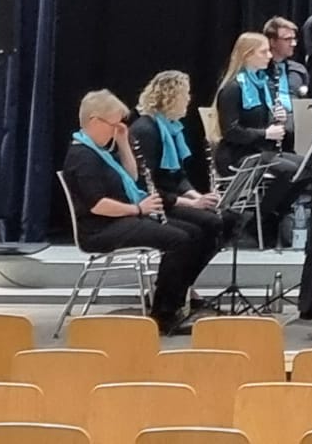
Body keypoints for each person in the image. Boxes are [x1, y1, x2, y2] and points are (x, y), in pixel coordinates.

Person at [63, 90, 219, 335]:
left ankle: (176, 300)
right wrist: (138, 208)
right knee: (179, 239)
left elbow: (132, 176)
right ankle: (163, 314)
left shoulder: (100, 150)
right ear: (94, 121)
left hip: (120, 219)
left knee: (194, 232)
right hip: (100, 228)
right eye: (114, 124)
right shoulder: (82, 156)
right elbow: (97, 204)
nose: (118, 128)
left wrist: (123, 142)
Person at [212, 31, 304, 243]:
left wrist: (277, 118)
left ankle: (272, 214)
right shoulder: (233, 88)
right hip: (238, 154)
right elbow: (231, 131)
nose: (269, 56)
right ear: (247, 55)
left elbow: (260, 119)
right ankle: (260, 221)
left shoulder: (262, 84)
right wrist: (266, 133)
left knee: (307, 167)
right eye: (263, 52)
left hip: (262, 151)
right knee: (290, 170)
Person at [130, 70, 233, 256]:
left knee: (228, 219)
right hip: (154, 204)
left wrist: (199, 197)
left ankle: (187, 271)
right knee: (208, 224)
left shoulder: (172, 129)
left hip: (169, 199)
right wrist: (192, 204)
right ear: (171, 97)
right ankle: (177, 272)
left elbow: (178, 176)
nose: (189, 99)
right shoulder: (146, 130)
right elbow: (145, 185)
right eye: (185, 94)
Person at [263, 16, 310, 95]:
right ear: (272, 42)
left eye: (294, 39)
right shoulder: (258, 70)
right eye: (287, 39)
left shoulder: (298, 70)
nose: (293, 44)